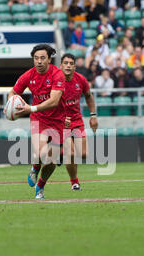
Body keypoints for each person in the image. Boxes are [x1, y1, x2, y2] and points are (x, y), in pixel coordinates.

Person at [7, 44, 65, 199]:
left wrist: (30, 108)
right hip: (39, 120)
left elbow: (54, 101)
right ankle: (35, 167)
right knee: (42, 153)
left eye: (42, 58)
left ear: (49, 59)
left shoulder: (58, 75)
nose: (39, 61)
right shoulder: (29, 75)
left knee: (51, 162)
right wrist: (11, 104)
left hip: (57, 121)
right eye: (36, 58)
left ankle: (40, 184)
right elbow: (13, 91)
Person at [59, 53, 97, 190]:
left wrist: (93, 115)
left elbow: (88, 96)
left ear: (75, 66)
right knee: (71, 154)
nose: (68, 65)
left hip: (77, 121)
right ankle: (74, 182)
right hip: (61, 123)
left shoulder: (80, 80)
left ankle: (59, 152)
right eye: (65, 63)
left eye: (71, 63)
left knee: (84, 154)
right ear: (61, 65)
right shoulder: (55, 81)